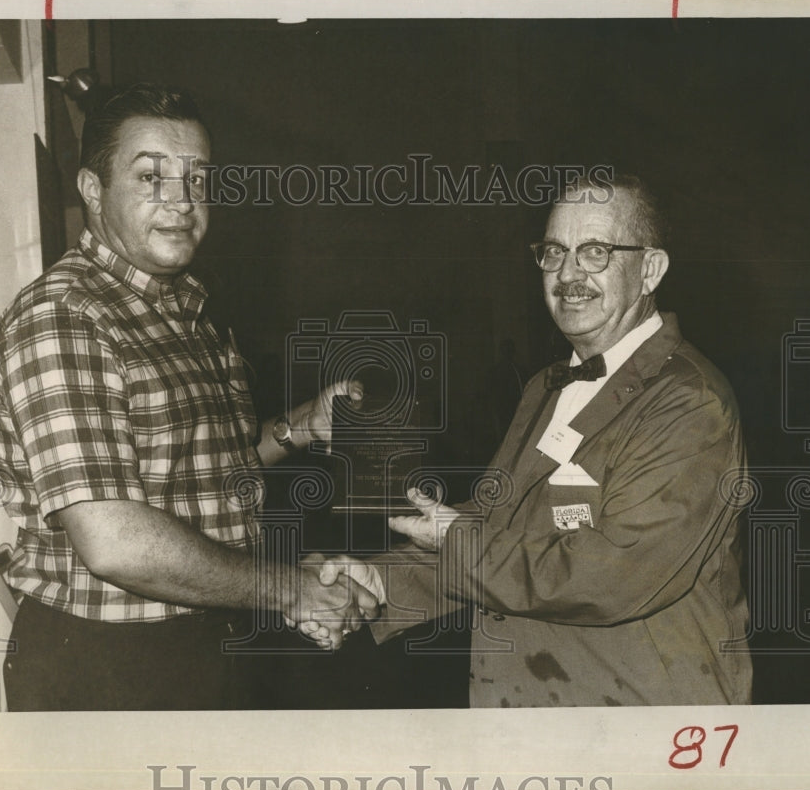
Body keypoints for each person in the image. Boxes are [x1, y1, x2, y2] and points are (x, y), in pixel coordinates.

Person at [0, 83, 376, 711]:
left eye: (197, 179)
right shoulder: (66, 317)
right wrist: (292, 590)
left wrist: (298, 428)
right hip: (108, 668)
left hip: (206, 637)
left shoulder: (185, 308)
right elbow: (113, 539)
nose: (181, 202)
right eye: (150, 177)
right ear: (93, 189)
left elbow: (202, 475)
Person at [318, 174, 752, 707]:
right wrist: (380, 581)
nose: (568, 274)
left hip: (639, 722)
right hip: (531, 715)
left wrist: (456, 539)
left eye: (595, 252)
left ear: (650, 270)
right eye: (554, 252)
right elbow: (501, 529)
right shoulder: (544, 386)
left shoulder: (689, 401)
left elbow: (609, 575)